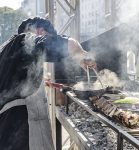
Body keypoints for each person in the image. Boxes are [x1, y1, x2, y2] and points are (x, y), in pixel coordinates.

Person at [0, 17, 96, 150]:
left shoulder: (7, 49)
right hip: (21, 130)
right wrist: (79, 53)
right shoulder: (24, 40)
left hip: (7, 130)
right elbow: (59, 43)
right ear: (40, 31)